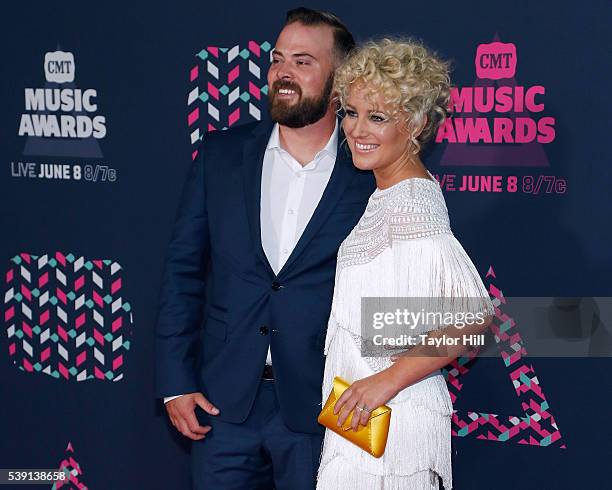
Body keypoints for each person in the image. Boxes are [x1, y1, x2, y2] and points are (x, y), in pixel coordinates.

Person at [154, 7, 375, 490]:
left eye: (303, 61)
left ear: (340, 81)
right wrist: (176, 380)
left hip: (323, 407)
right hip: (223, 405)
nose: (283, 73)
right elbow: (183, 273)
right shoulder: (221, 155)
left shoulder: (368, 175)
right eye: (278, 59)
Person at [316, 38, 494, 490]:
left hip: (393, 421)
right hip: (367, 421)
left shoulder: (413, 203)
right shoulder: (389, 194)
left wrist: (384, 382)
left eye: (377, 117)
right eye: (350, 112)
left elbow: (473, 320)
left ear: (414, 123)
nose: (357, 130)